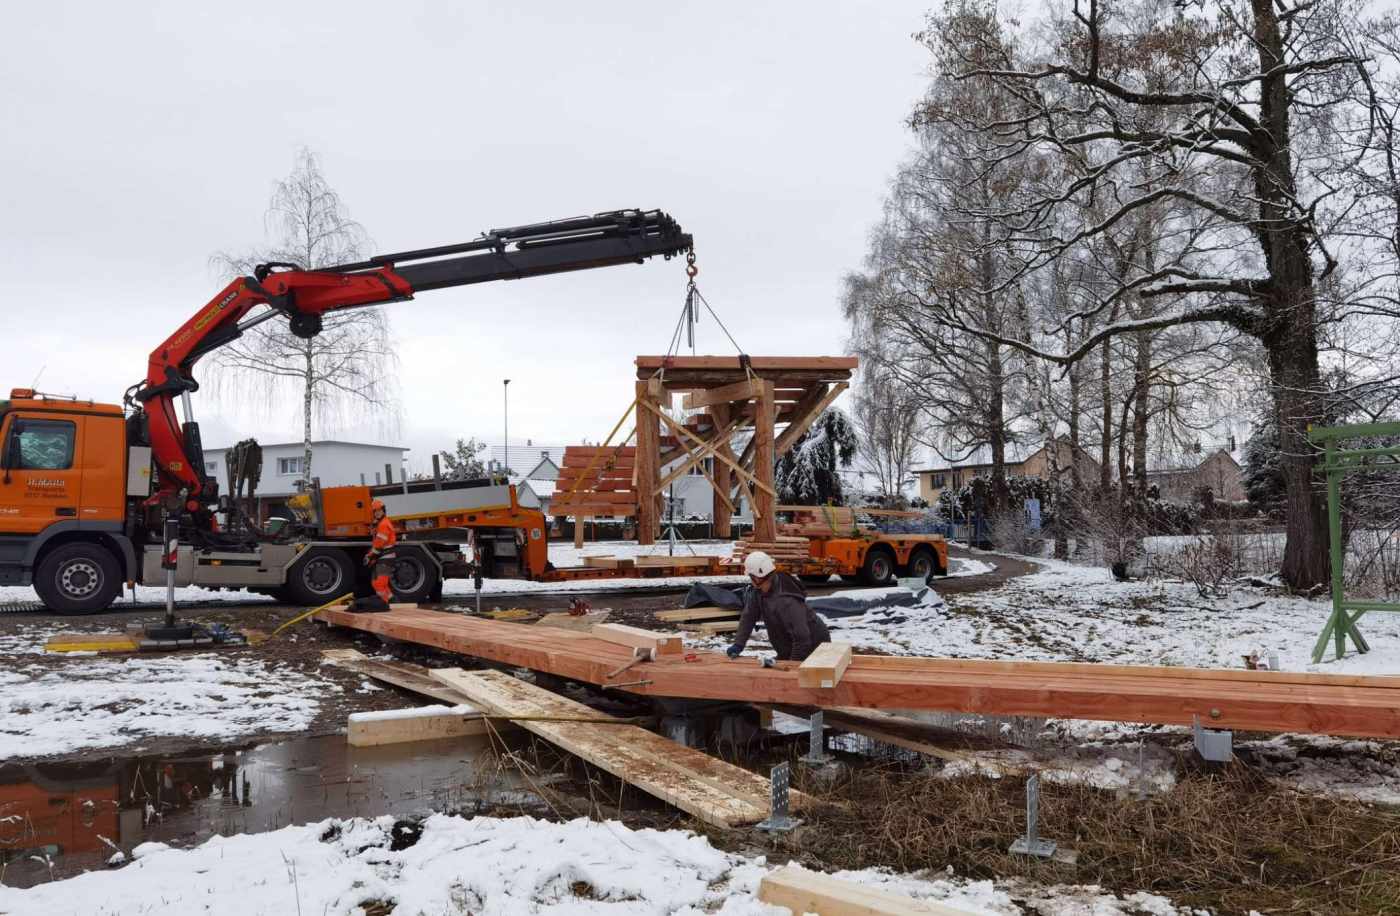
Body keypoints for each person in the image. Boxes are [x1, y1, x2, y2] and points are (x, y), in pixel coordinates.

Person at [726, 550, 830, 661]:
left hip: (816, 649)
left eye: (750, 576)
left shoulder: (786, 600)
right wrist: (738, 644)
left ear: (756, 577)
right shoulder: (759, 591)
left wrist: (791, 665)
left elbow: (802, 639)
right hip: (791, 646)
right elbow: (749, 617)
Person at [352, 498, 397, 612]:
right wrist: (371, 556)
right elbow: (377, 544)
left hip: (386, 558)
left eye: (379, 510)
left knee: (380, 584)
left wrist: (370, 556)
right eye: (375, 511)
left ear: (383, 511)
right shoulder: (380, 524)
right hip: (383, 557)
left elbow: (379, 545)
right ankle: (392, 601)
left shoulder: (383, 524)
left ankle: (384, 604)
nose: (377, 513)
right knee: (376, 583)